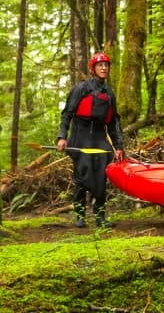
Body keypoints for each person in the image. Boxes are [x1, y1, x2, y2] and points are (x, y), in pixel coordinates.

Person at [57, 52, 124, 228]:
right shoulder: (81, 88)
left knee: (101, 178)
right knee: (83, 177)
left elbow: (114, 122)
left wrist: (118, 146)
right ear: (93, 69)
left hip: (100, 140)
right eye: (100, 65)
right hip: (81, 137)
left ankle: (100, 216)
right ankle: (80, 215)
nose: (104, 68)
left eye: (106, 65)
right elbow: (67, 114)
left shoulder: (109, 93)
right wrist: (62, 137)